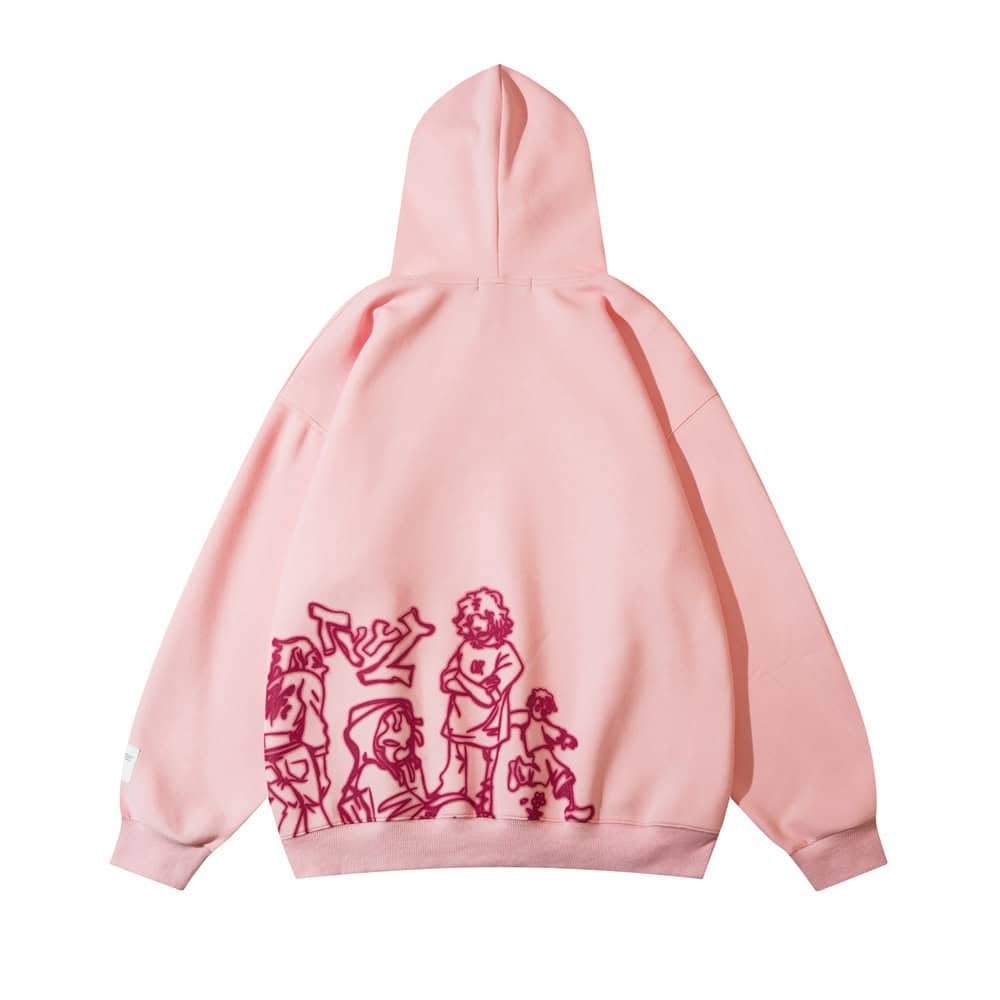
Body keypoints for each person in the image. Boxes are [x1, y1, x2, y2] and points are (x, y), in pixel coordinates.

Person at [435, 587, 523, 817]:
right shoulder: (466, 647)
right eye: (471, 618)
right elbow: (445, 682)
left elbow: (488, 698)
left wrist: (461, 680)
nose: (475, 624)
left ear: (494, 617)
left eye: (482, 617)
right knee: (452, 783)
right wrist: (476, 687)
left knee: (482, 790)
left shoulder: (507, 655)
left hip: (487, 733)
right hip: (457, 727)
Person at [508, 687, 595, 822]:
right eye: (537, 705)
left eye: (542, 706)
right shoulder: (536, 724)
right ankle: (519, 771)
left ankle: (519, 771)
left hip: (544, 757)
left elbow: (555, 733)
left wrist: (565, 739)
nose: (538, 709)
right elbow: (554, 733)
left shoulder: (538, 723)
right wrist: (564, 739)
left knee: (556, 775)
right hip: (543, 756)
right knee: (560, 774)